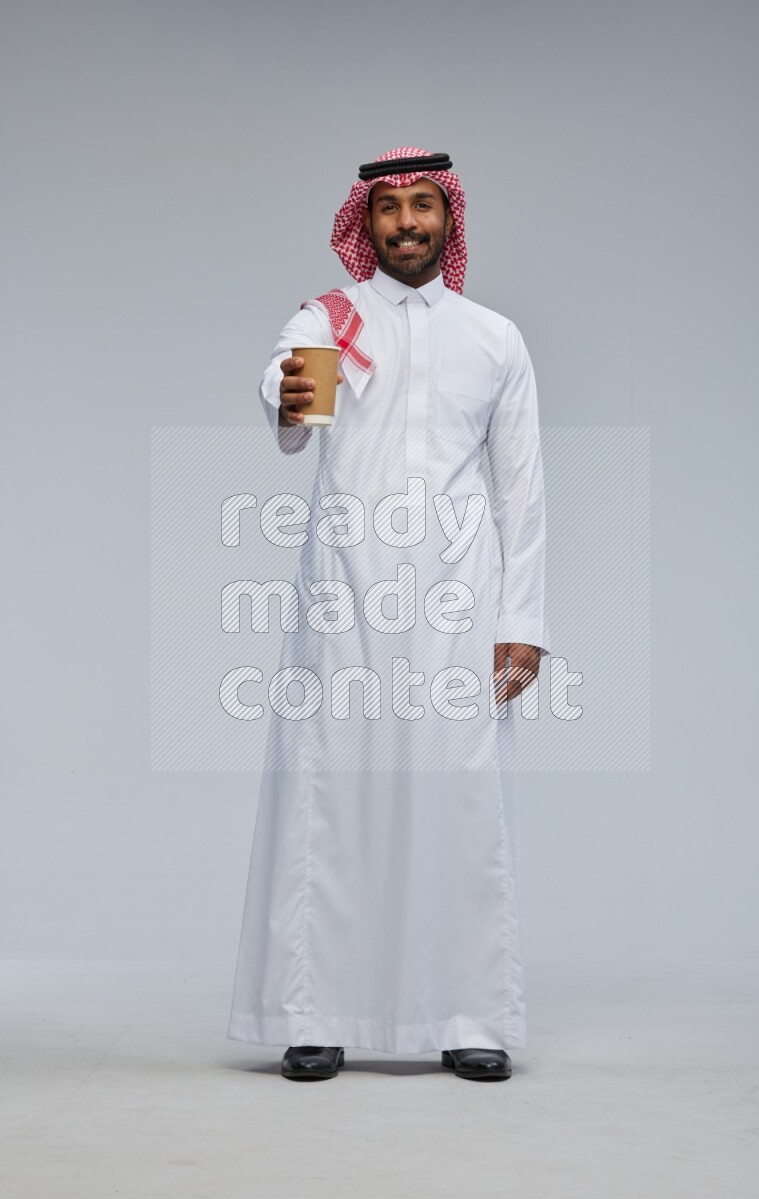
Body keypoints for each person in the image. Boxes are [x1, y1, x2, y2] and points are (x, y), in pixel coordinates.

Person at [227, 147, 550, 1082]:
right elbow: (289, 401)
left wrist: (521, 620)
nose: (407, 224)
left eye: (423, 208)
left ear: (448, 221)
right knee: (332, 799)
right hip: (345, 593)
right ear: (362, 225)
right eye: (389, 211)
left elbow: (523, 491)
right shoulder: (327, 318)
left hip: (461, 600)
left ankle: (471, 1014)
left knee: (461, 798)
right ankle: (316, 1013)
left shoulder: (496, 337)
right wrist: (284, 396)